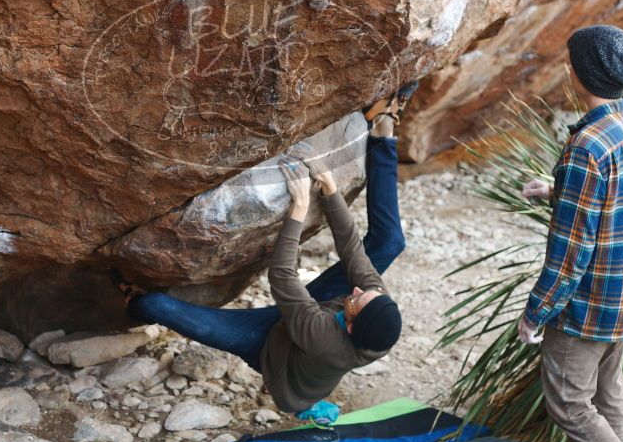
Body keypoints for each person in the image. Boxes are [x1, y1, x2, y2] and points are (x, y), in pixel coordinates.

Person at [110, 82, 418, 421]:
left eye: (358, 299)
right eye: (368, 293)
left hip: (268, 346)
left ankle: (132, 303)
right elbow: (352, 250)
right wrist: (330, 191)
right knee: (389, 244)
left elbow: (283, 276)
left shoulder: (326, 339)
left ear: (350, 327)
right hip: (312, 312)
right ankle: (382, 132)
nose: (359, 289)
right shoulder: (377, 313)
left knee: (155, 305)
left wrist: (299, 207)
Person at [519, 25, 623, 442]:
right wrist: (558, 189)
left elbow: (570, 255)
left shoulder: (588, 147)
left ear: (583, 74)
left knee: (571, 403)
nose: (566, 65)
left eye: (570, 60)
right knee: (609, 390)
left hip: (586, 308)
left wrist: (535, 312)